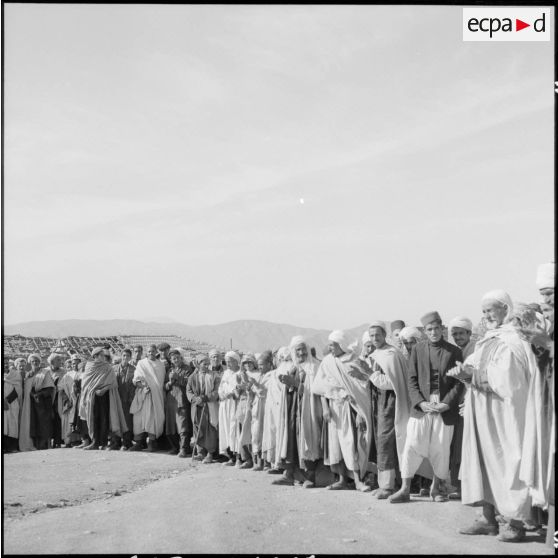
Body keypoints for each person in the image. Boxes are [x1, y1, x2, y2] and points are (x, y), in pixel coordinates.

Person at [449, 290, 539, 542]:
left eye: (491, 309)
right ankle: (488, 518)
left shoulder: (514, 339)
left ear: (505, 308)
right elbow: (476, 364)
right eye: (484, 311)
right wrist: (464, 369)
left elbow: (509, 379)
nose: (487, 315)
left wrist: (472, 375)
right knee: (484, 462)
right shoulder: (489, 338)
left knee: (507, 462)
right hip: (482, 412)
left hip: (505, 414)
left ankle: (513, 522)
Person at [390, 311, 463, 504]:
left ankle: (436, 489)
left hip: (443, 408)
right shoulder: (418, 349)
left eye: (437, 328)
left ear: (442, 328)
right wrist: (421, 402)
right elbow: (411, 379)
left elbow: (458, 382)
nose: (434, 332)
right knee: (412, 444)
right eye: (429, 329)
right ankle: (405, 489)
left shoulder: (454, 351)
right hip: (422, 407)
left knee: (441, 447)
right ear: (425, 331)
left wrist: (446, 403)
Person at [311, 330, 372, 492]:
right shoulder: (327, 362)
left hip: (350, 408)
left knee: (351, 444)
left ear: (342, 345)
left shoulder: (354, 361)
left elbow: (362, 390)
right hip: (333, 409)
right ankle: (342, 479)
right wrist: (325, 408)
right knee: (336, 445)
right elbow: (319, 387)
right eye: (329, 345)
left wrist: (360, 412)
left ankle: (358, 480)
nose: (330, 348)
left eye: (333, 345)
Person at [271, 337, 323, 488]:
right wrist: (287, 385)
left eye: (303, 349)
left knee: (308, 439)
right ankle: (289, 474)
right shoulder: (292, 367)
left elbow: (316, 390)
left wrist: (295, 384)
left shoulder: (314, 367)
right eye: (297, 350)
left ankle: (310, 476)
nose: (301, 353)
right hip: (292, 409)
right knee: (291, 439)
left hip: (309, 410)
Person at [367, 322, 410, 499]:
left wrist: (368, 374)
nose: (374, 339)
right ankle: (384, 483)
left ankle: (388, 486)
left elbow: (391, 383)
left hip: (390, 401)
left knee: (386, 440)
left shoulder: (391, 354)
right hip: (378, 401)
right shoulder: (376, 353)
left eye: (378, 335)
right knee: (380, 440)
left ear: (385, 335)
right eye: (371, 336)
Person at [447, 316, 476, 500]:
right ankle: (458, 486)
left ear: (469, 333)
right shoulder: (457, 351)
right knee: (458, 446)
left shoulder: (475, 350)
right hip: (458, 404)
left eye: (460, 333)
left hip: (472, 402)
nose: (458, 337)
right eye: (454, 334)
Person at [79, 347, 129, 451]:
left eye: (104, 355)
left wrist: (103, 389)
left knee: (104, 419)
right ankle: (95, 442)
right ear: (95, 356)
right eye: (101, 355)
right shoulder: (89, 366)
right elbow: (85, 383)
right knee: (94, 418)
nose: (103, 357)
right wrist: (92, 390)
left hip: (105, 396)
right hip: (92, 397)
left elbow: (113, 383)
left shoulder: (108, 367)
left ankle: (104, 442)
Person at [129, 344, 166, 452]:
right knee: (139, 419)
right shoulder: (142, 363)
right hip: (143, 395)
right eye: (149, 351)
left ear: (156, 352)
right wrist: (144, 387)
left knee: (152, 419)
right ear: (146, 352)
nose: (151, 353)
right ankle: (139, 443)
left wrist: (153, 389)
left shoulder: (160, 365)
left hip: (156, 397)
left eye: (153, 351)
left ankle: (152, 443)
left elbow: (160, 383)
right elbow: (136, 379)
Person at [261, 347, 290, 474]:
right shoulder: (274, 373)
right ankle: (275, 463)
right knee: (274, 433)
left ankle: (282, 464)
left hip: (281, 409)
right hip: (273, 408)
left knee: (280, 434)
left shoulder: (286, 370)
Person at [186, 354, 220, 463]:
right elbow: (189, 391)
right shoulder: (193, 376)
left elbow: (216, 391)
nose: (206, 366)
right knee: (197, 428)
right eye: (204, 364)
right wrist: (195, 399)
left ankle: (210, 453)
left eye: (207, 364)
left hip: (209, 406)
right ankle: (200, 452)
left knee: (210, 428)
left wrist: (206, 398)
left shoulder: (214, 376)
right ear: (198, 364)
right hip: (197, 407)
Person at [164, 349, 193, 457]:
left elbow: (189, 383)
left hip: (182, 400)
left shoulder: (187, 369)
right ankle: (175, 447)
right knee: (171, 425)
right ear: (171, 360)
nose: (176, 360)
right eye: (173, 358)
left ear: (181, 358)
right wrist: (170, 382)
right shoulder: (170, 370)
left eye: (177, 358)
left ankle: (184, 449)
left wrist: (178, 377)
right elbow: (165, 386)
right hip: (171, 401)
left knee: (183, 426)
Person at [234, 353, 260, 469]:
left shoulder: (259, 374)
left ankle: (256, 460)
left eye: (249, 362)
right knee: (242, 431)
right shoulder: (240, 375)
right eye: (245, 363)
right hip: (242, 404)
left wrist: (249, 385)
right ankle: (246, 458)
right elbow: (237, 393)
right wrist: (238, 388)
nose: (247, 365)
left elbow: (257, 389)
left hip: (254, 404)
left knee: (253, 432)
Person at [26, 353, 56, 450]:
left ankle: (45, 445)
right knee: (33, 423)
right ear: (30, 362)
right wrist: (32, 395)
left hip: (43, 402)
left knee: (44, 423)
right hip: (31, 402)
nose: (35, 363)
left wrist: (39, 394)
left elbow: (50, 388)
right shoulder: (28, 374)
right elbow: (26, 389)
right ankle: (36, 444)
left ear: (40, 362)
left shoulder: (45, 373)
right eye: (33, 361)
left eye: (37, 361)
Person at [218, 351, 241, 465]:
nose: (228, 364)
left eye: (230, 361)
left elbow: (239, 388)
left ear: (236, 361)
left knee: (235, 429)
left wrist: (232, 393)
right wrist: (222, 394)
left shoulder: (241, 373)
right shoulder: (226, 373)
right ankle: (230, 456)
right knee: (226, 430)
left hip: (235, 404)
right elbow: (221, 387)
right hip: (225, 405)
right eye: (227, 362)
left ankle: (238, 457)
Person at [112, 349, 136, 450]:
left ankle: (126, 443)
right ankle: (115, 442)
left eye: (127, 356)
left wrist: (131, 398)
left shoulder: (134, 369)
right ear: (121, 356)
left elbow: (134, 384)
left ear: (130, 357)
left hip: (128, 399)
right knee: (116, 420)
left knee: (127, 421)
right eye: (124, 355)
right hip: (116, 398)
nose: (125, 358)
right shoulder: (114, 368)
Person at [69, 354, 91, 449]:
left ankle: (90, 441)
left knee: (88, 420)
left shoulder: (89, 375)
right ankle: (84, 440)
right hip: (79, 400)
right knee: (80, 421)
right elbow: (74, 389)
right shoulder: (77, 375)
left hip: (88, 399)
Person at [3, 358, 24, 452]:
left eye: (6, 363)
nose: (5, 365)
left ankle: (12, 447)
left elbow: (18, 389)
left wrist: (7, 400)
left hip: (13, 403)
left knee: (13, 424)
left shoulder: (15, 374)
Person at [48, 353, 66, 448]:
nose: (60, 362)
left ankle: (58, 441)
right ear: (52, 362)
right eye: (58, 360)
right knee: (48, 420)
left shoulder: (63, 371)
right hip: (47, 399)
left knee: (58, 419)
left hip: (59, 398)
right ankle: (48, 441)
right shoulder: (46, 371)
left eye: (60, 359)